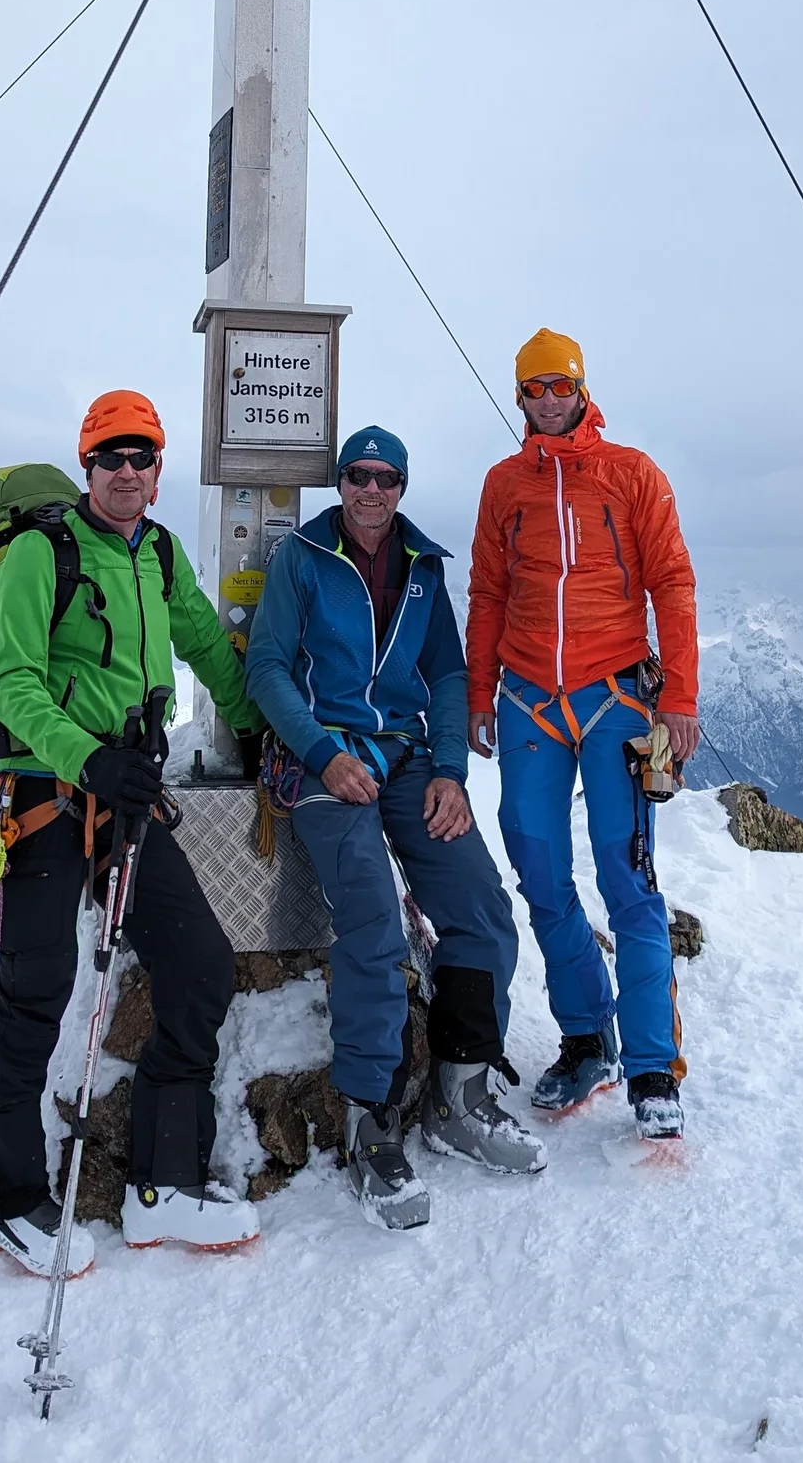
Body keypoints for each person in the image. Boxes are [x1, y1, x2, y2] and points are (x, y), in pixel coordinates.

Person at [0, 389, 264, 1272]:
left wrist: (256, 726)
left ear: (158, 471)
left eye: (142, 457)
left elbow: (207, 646)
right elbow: (11, 684)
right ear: (87, 465)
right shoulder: (39, 549)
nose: (126, 471)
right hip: (43, 786)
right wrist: (86, 756)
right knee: (37, 980)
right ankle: (8, 1198)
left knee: (200, 960)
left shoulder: (160, 555)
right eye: (111, 456)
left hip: (126, 791)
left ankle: (161, 1186)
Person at [247, 423, 543, 1230]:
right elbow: (268, 665)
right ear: (339, 483)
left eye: (386, 478)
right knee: (375, 926)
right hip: (325, 761)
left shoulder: (422, 567)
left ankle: (461, 1092)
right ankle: (371, 1123)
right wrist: (318, 750)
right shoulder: (304, 560)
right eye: (356, 476)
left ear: (402, 487)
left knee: (481, 909)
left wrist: (451, 768)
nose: (371, 490)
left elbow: (446, 672)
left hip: (410, 758)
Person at [467, 331, 700, 1141]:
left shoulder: (632, 474)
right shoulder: (504, 485)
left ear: (581, 388)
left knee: (625, 876)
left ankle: (650, 1066)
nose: (547, 399)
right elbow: (488, 588)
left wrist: (681, 698)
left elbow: (672, 578)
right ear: (521, 397)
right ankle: (585, 1036)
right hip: (529, 693)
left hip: (615, 696)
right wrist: (476, 692)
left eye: (559, 385)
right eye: (533, 388)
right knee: (536, 863)